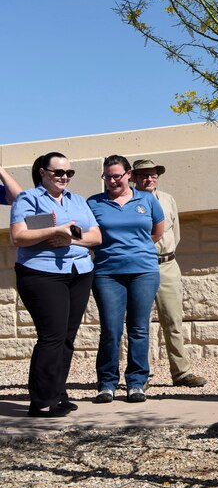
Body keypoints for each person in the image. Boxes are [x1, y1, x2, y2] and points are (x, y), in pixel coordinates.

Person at [9, 152, 102, 417]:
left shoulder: (78, 201)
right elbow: (19, 236)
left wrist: (71, 240)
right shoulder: (29, 199)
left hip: (80, 271)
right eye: (59, 172)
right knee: (52, 336)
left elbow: (96, 236)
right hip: (42, 273)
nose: (64, 177)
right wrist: (55, 230)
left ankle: (57, 393)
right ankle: (40, 402)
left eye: (69, 173)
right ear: (42, 172)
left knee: (67, 337)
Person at [87, 155, 165, 404]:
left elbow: (157, 231)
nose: (112, 181)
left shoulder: (147, 199)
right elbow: (89, 234)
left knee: (139, 328)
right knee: (111, 329)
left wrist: (136, 250)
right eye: (107, 176)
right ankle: (107, 383)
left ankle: (136, 382)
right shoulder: (94, 203)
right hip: (107, 273)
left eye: (116, 176)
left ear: (128, 174)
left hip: (143, 271)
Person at [131, 159, 206, 388]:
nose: (149, 179)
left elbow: (176, 234)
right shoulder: (129, 201)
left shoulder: (168, 200)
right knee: (139, 323)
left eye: (153, 174)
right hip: (140, 265)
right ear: (133, 177)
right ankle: (139, 376)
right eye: (143, 175)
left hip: (168, 265)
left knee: (173, 319)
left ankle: (181, 372)